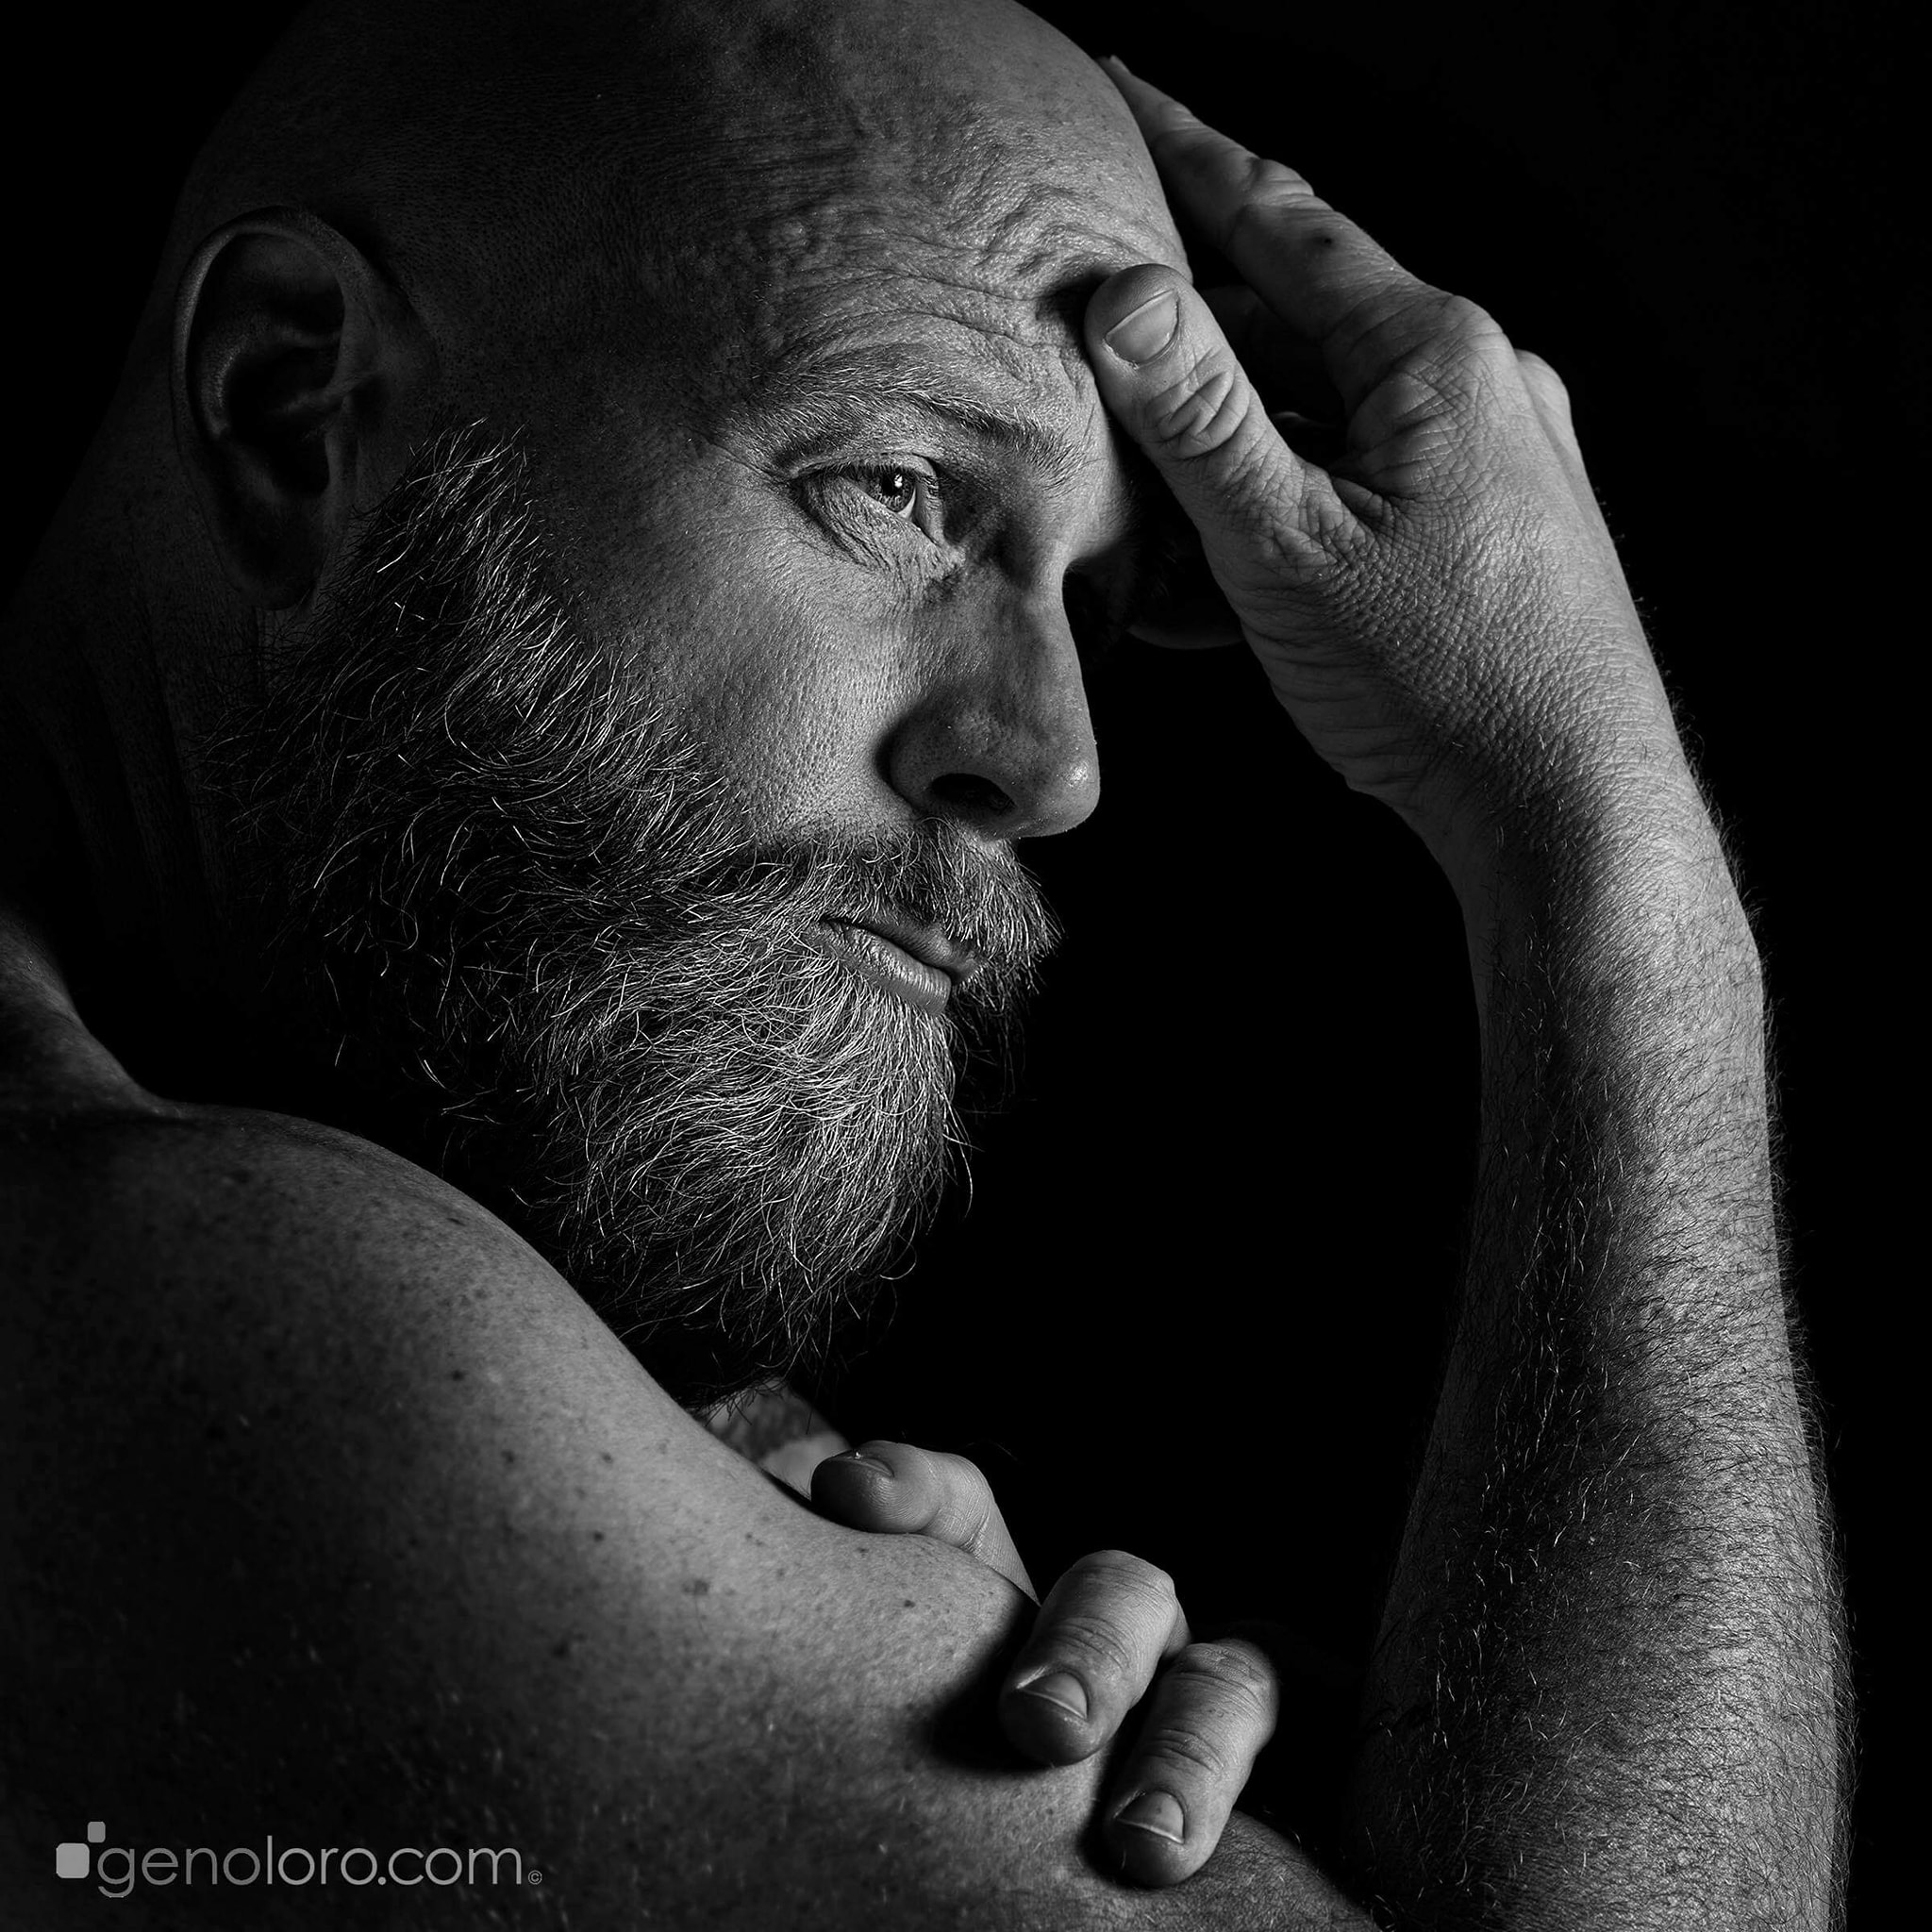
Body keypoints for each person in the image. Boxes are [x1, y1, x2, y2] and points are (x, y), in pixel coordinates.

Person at [0, 0, 1847, 1923]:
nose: (1052, 766)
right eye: (894, 490)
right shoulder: (173, 1306)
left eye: (1100, 607)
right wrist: (1590, 833)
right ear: (292, 409)